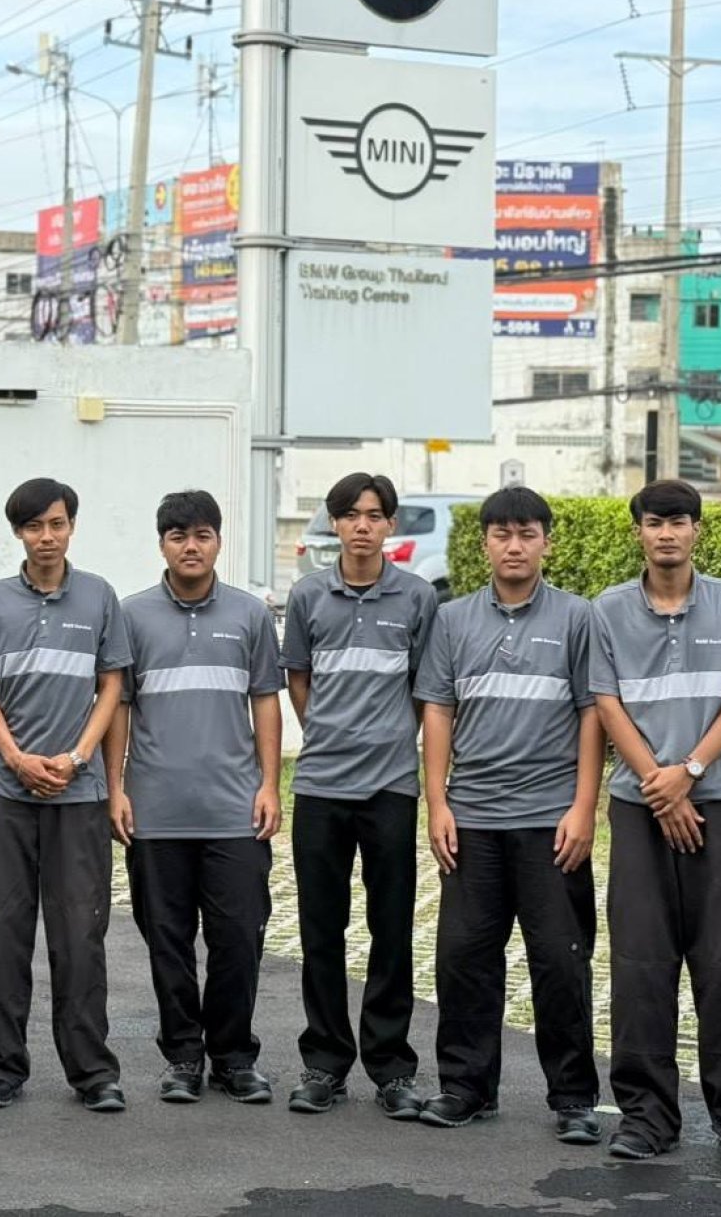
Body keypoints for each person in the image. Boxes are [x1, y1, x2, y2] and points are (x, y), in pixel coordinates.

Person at [589, 478, 721, 1174]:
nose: (666, 533)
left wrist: (689, 772)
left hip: (716, 803)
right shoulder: (607, 610)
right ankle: (647, 1118)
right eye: (654, 522)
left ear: (698, 530)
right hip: (640, 807)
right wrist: (659, 786)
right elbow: (606, 702)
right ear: (638, 530)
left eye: (679, 522)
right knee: (641, 965)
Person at [413, 487, 602, 1144]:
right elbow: (438, 710)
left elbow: (593, 714)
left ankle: (574, 1097)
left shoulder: (579, 618)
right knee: (463, 959)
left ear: (547, 540)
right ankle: (466, 1087)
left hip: (552, 822)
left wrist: (584, 807)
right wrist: (438, 802)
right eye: (502, 534)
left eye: (526, 533)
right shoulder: (452, 619)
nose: (514, 546)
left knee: (561, 962)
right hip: (473, 820)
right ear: (485, 543)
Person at [110, 490, 284, 1106]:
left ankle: (234, 1057)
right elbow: (118, 707)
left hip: (235, 812)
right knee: (168, 942)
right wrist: (116, 788)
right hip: (155, 812)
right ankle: (183, 1056)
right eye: (179, 535)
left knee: (239, 940)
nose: (191, 546)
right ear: (162, 544)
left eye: (202, 535)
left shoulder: (250, 615)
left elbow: (265, 700)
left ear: (218, 542)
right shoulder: (130, 616)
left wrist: (270, 784)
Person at [0, 478, 132, 1113]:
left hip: (78, 793)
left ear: (72, 527)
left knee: (80, 937)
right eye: (34, 526)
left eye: (57, 524)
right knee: (2, 935)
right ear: (18, 532)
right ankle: (0, 1070)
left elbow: (112, 685)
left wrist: (77, 757)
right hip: (7, 794)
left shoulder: (98, 596)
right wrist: (15, 757)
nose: (46, 537)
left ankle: (92, 1073)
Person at [280, 472, 437, 1121]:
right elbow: (298, 679)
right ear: (335, 524)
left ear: (390, 524)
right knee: (321, 929)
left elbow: (426, 689)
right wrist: (328, 732)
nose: (363, 525)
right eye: (350, 514)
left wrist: (391, 740)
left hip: (391, 786)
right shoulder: (308, 595)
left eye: (374, 514)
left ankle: (392, 1067)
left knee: (391, 928)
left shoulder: (418, 597)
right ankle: (324, 1062)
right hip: (321, 785)